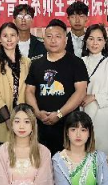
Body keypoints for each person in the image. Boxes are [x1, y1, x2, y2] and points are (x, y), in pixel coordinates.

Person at [26, 19, 89, 156]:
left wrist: (59, 114)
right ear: (44, 39)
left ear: (65, 40)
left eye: (58, 36)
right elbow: (29, 91)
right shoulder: (36, 64)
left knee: (66, 162)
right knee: (41, 162)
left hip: (68, 126)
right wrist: (37, 113)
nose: (53, 40)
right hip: (41, 125)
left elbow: (81, 92)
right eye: (49, 36)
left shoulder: (76, 63)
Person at [0, 22, 31, 154]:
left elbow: (29, 91)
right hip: (0, 120)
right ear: (0, 39)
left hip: (22, 120)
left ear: (18, 38)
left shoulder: (27, 62)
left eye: (13, 35)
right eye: (5, 36)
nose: (9, 39)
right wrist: (8, 120)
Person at [82, 24, 108, 154]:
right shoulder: (79, 62)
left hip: (106, 117)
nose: (95, 43)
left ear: (105, 42)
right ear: (85, 41)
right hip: (84, 115)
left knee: (106, 154)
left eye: (99, 39)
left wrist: (94, 97)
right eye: (91, 39)